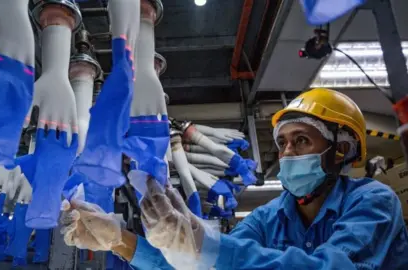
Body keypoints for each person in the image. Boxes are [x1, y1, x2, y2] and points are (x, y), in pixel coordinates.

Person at [60, 88, 408, 269]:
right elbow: (202, 267)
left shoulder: (373, 201)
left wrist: (204, 246)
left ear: (341, 149)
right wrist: (118, 240)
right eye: (283, 143)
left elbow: (334, 268)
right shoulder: (268, 218)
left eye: (302, 140)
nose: (286, 153)